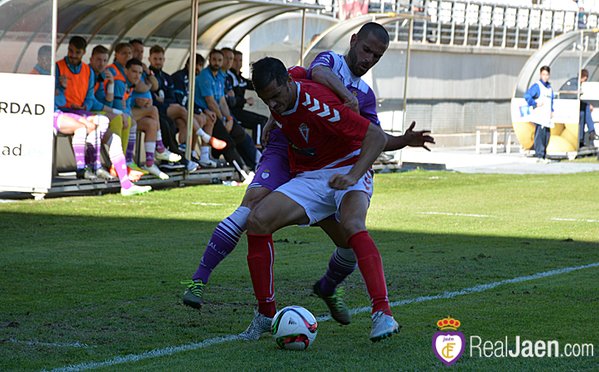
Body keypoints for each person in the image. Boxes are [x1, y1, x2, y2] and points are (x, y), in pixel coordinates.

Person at [181, 23, 433, 327]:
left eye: (377, 56)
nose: (369, 59)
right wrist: (288, 113)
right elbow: (314, 74)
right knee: (253, 209)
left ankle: (329, 287)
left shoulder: (365, 96)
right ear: (353, 42)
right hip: (292, 154)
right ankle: (205, 283)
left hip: (336, 166)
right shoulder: (328, 64)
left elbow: (373, 136)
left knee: (349, 243)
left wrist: (403, 140)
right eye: (366, 50)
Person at [239, 57, 398, 342]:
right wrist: (273, 117)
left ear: (288, 83)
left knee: (352, 224)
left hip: (349, 165)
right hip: (311, 176)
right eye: (266, 101)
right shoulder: (288, 84)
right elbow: (306, 71)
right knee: (257, 221)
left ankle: (382, 313)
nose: (273, 105)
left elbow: (376, 137)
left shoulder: (318, 104)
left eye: (276, 97)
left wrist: (353, 176)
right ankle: (265, 314)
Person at [55, 36, 126, 179]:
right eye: (71, 51)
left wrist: (84, 105)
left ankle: (120, 171)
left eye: (77, 52)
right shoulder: (58, 67)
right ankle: (91, 166)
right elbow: (54, 96)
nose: (73, 55)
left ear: (84, 53)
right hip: (62, 112)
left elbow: (91, 98)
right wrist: (61, 89)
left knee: (106, 122)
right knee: (87, 126)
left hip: (81, 111)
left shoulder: (88, 72)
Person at [148, 45, 226, 168]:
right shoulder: (175, 77)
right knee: (189, 115)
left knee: (196, 119)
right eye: (155, 59)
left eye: (160, 59)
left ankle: (191, 155)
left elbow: (173, 97)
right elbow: (176, 100)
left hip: (171, 108)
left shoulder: (167, 77)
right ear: (149, 59)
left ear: (164, 60)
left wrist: (202, 110)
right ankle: (203, 138)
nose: (158, 62)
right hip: (159, 110)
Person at [195, 49, 259, 173]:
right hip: (206, 114)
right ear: (209, 60)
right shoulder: (205, 76)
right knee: (227, 140)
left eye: (219, 60)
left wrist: (229, 118)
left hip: (217, 115)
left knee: (240, 133)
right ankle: (242, 170)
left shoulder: (220, 76)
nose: (217, 63)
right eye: (214, 60)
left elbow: (222, 102)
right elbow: (211, 102)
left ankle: (253, 165)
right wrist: (224, 120)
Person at [223, 48, 267, 143]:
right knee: (260, 121)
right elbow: (230, 100)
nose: (238, 63)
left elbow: (251, 84)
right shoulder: (228, 77)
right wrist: (245, 101)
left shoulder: (239, 78)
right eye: (235, 60)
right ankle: (258, 148)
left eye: (241, 60)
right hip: (232, 112)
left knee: (263, 120)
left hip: (238, 110)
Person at [524, 65, 554, 161]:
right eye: (543, 74)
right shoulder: (537, 86)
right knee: (540, 136)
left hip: (547, 117)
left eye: (547, 74)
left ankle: (544, 154)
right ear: (540, 75)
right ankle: (539, 155)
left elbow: (551, 101)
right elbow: (527, 96)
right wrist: (534, 103)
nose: (545, 76)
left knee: (547, 136)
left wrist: (552, 110)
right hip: (540, 117)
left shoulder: (549, 88)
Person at [560, 69, 596, 148]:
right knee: (583, 112)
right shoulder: (573, 83)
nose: (585, 82)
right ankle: (589, 132)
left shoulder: (578, 84)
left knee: (585, 109)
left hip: (575, 107)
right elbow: (568, 95)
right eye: (585, 80)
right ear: (583, 77)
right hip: (567, 108)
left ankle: (588, 134)